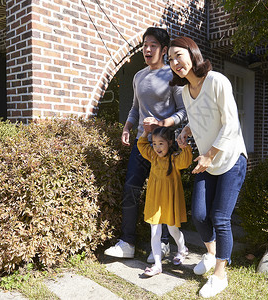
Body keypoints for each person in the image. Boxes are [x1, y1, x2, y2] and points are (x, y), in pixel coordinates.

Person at [168, 36, 248, 298]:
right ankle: (212, 255)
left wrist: (210, 154)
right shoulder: (183, 91)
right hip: (207, 160)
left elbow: (231, 123)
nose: (175, 62)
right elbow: (200, 115)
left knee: (221, 218)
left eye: (178, 55)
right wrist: (185, 130)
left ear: (192, 54)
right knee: (200, 215)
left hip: (230, 158)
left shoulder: (216, 81)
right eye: (170, 59)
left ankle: (220, 276)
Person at [104, 27, 186, 262]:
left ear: (163, 50)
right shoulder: (138, 76)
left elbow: (183, 112)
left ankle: (163, 244)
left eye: (153, 45)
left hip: (165, 148)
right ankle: (127, 242)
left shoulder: (173, 75)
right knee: (131, 188)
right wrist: (128, 126)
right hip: (143, 146)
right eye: (145, 45)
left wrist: (161, 123)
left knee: (164, 195)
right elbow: (135, 108)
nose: (147, 50)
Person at [137, 126, 192, 276]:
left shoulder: (174, 159)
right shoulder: (153, 157)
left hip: (169, 201)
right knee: (155, 231)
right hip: (155, 200)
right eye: (154, 143)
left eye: (161, 143)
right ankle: (157, 265)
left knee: (173, 230)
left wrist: (185, 147)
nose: (157, 147)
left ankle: (182, 249)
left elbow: (186, 161)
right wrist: (146, 132)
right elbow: (141, 144)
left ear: (169, 142)